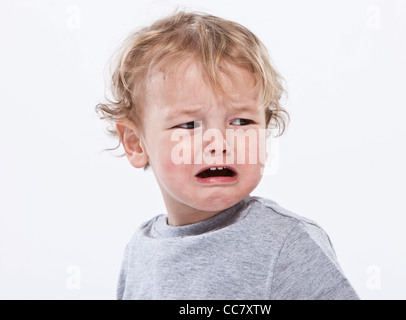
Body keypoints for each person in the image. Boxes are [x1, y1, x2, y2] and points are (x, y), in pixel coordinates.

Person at [96, 10, 359, 300]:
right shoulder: (140, 252)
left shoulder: (287, 243)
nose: (219, 142)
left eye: (242, 122)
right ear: (136, 143)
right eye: (188, 125)